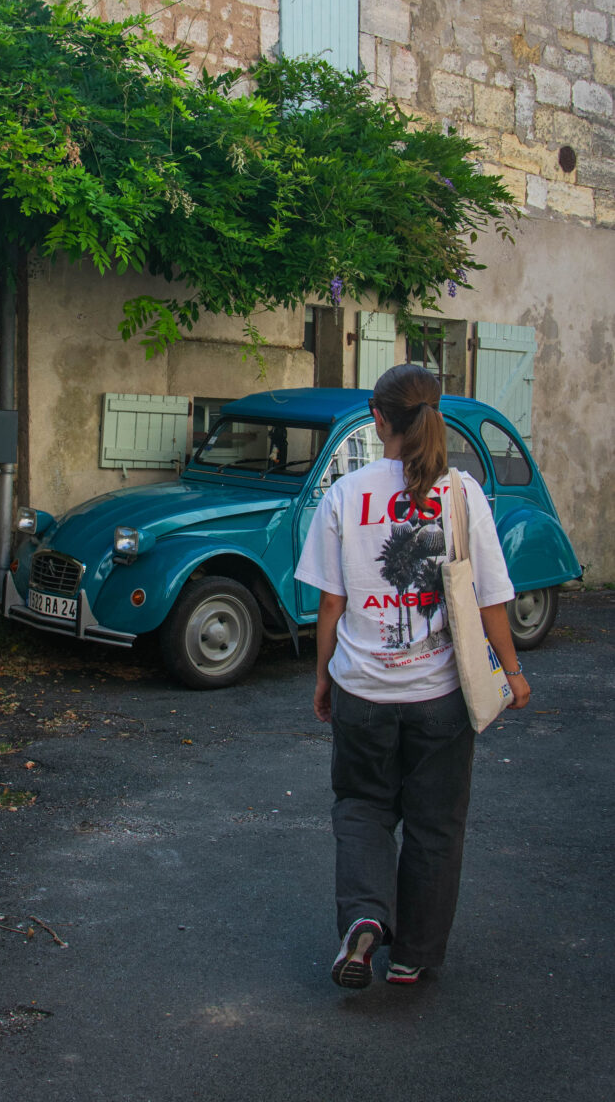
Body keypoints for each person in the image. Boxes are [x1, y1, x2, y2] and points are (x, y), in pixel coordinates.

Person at [295, 364, 531, 989]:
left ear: (378, 417)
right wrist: (512, 671)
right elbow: (490, 599)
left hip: (362, 691)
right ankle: (413, 955)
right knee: (434, 824)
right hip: (441, 697)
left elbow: (329, 604)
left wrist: (324, 679)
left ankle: (367, 919)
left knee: (363, 809)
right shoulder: (462, 494)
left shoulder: (346, 494)